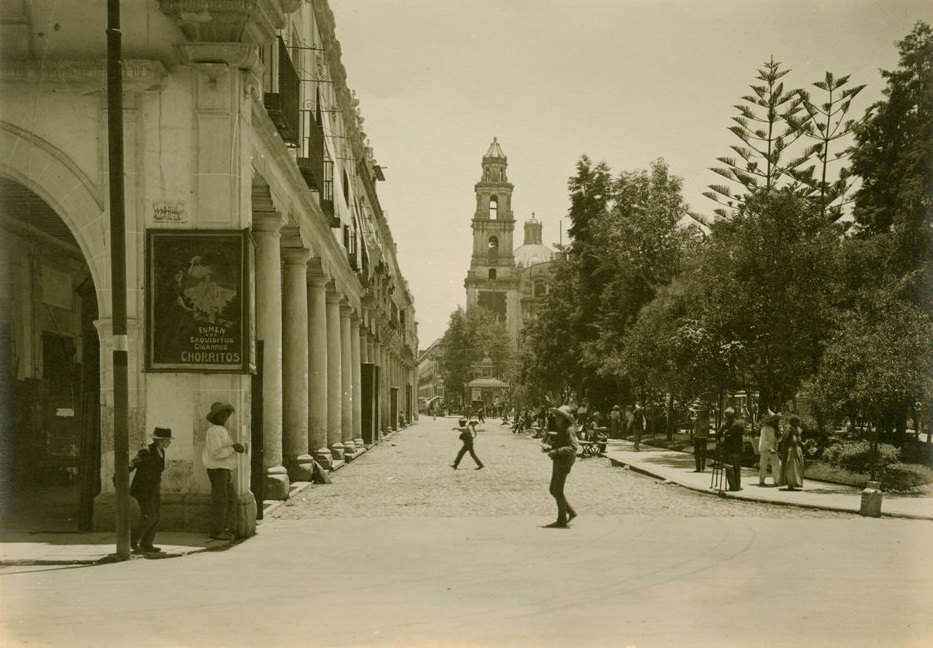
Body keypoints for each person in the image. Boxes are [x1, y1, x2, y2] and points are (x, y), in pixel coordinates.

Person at [202, 402, 246, 541]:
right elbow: (215, 453)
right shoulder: (214, 431)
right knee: (221, 501)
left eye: (226, 414)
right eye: (222, 414)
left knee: (231, 499)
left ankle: (225, 528)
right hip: (218, 469)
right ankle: (217, 530)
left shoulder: (221, 430)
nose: (225, 417)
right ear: (215, 417)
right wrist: (233, 448)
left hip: (224, 469)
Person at [129, 427, 172, 554]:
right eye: (168, 440)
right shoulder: (146, 451)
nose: (169, 442)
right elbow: (133, 463)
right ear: (160, 440)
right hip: (143, 489)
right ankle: (132, 541)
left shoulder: (161, 452)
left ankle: (147, 543)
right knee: (149, 516)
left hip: (154, 488)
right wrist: (121, 474)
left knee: (156, 516)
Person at [540, 405, 579, 528]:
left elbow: (573, 447)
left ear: (563, 418)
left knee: (558, 490)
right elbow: (560, 445)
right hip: (558, 460)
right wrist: (550, 449)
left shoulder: (569, 430)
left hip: (564, 461)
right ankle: (570, 511)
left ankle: (562, 519)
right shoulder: (561, 429)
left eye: (558, 416)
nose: (555, 417)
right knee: (553, 489)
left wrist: (556, 451)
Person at [717, 407, 745, 491]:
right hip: (737, 449)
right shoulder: (740, 424)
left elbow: (718, 434)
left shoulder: (725, 425)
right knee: (737, 468)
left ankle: (733, 486)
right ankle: (737, 485)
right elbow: (742, 434)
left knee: (729, 468)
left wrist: (722, 441)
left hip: (728, 449)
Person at [780, 415, 805, 491]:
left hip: (796, 450)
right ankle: (790, 484)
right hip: (791, 450)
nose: (799, 423)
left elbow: (798, 439)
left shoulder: (796, 429)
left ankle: (794, 483)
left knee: (796, 467)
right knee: (791, 467)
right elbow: (785, 439)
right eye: (798, 421)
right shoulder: (788, 428)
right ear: (794, 422)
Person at [758, 412, 782, 486]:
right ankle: (761, 481)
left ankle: (776, 480)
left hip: (773, 449)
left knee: (776, 465)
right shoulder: (765, 429)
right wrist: (770, 448)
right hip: (765, 449)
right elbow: (764, 440)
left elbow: (776, 440)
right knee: (763, 465)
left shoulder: (775, 429)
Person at [692, 408, 710, 472]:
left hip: (703, 438)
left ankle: (702, 467)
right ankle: (698, 467)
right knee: (697, 454)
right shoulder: (698, 419)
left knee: (703, 453)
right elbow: (695, 428)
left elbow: (703, 427)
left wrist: (698, 420)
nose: (700, 414)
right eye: (699, 413)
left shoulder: (706, 420)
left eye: (701, 413)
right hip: (697, 437)